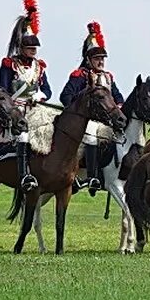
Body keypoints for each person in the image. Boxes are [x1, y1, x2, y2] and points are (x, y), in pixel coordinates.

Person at [59, 21, 125, 196]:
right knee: (91, 135)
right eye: (97, 58)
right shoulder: (79, 75)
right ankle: (92, 177)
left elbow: (118, 97)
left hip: (108, 119)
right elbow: (65, 96)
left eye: (103, 58)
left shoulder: (108, 77)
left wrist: (118, 107)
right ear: (88, 59)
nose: (101, 61)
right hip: (87, 120)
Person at [0, 0, 52, 191]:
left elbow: (47, 90)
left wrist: (40, 96)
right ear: (21, 46)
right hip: (15, 109)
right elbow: (4, 90)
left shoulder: (40, 67)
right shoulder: (9, 64)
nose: (33, 51)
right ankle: (24, 175)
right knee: (23, 135)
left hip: (36, 107)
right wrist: (16, 104)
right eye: (29, 47)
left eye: (34, 47)